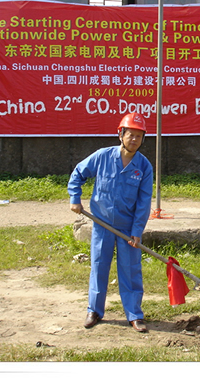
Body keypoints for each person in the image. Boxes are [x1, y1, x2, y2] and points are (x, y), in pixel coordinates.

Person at [67, 113, 153, 332]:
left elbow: (143, 203)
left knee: (131, 269)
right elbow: (78, 173)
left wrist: (136, 231)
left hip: (127, 228)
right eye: (130, 134)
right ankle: (94, 311)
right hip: (102, 224)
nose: (134, 139)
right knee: (99, 267)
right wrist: (75, 198)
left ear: (143, 139)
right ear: (120, 134)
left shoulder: (143, 167)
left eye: (138, 136)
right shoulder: (102, 157)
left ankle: (134, 314)